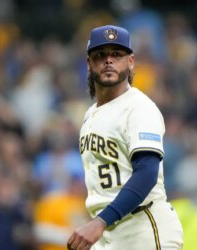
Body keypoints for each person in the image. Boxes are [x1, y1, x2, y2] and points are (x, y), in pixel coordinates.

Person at [67, 25, 183, 250]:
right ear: (89, 64)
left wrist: (100, 221)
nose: (108, 60)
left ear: (130, 62)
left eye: (116, 55)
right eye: (100, 55)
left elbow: (147, 173)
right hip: (110, 231)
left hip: (144, 228)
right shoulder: (91, 114)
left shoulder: (139, 108)